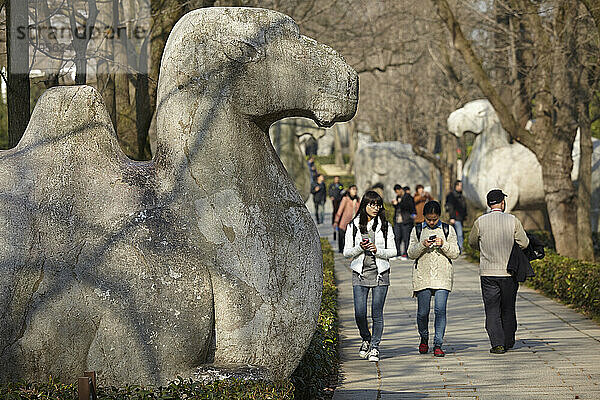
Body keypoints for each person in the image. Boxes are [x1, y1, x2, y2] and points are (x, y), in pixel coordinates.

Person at [468, 189, 529, 354]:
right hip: (509, 273)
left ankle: (497, 344)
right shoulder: (513, 221)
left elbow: (472, 242)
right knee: (508, 307)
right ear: (502, 203)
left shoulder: (480, 222)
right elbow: (524, 243)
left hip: (488, 273)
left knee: (492, 308)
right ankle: (508, 340)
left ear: (488, 204)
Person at [343, 190, 396, 362]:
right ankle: (366, 338)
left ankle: (374, 347)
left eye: (378, 205)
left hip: (380, 274)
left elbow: (393, 251)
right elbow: (346, 252)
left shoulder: (386, 227)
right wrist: (360, 247)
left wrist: (376, 250)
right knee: (359, 313)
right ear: (364, 205)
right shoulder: (353, 226)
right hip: (360, 274)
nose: (375, 208)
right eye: (371, 204)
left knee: (377, 313)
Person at [407, 201, 460, 357]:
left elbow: (455, 253)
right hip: (423, 276)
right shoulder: (417, 230)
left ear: (439, 216)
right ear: (424, 217)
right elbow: (410, 253)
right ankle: (424, 338)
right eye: (429, 219)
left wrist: (443, 244)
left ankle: (438, 344)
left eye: (434, 219)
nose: (431, 222)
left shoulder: (448, 230)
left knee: (440, 310)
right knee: (423, 313)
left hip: (443, 276)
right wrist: (422, 245)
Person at [333, 185, 360, 253]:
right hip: (344, 221)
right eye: (353, 189)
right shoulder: (345, 199)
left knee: (352, 236)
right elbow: (340, 210)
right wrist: (336, 221)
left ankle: (349, 249)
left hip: (354, 221)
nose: (355, 191)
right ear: (349, 190)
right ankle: (341, 249)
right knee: (342, 236)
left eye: (355, 189)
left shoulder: (358, 200)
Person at [445, 180, 468, 251]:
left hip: (460, 217)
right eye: (460, 185)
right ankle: (460, 248)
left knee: (457, 234)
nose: (461, 187)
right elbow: (450, 207)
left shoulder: (460, 195)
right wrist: (452, 217)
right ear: (456, 186)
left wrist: (465, 215)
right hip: (455, 217)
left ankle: (458, 248)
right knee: (459, 234)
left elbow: (463, 206)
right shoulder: (452, 195)